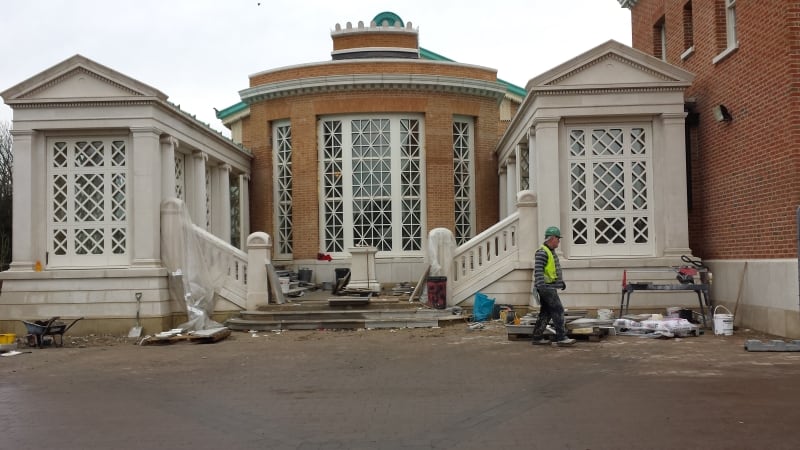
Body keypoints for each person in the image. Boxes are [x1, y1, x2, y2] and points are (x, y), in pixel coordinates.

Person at [531, 226, 576, 347]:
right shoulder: (542, 252)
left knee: (546, 312)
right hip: (546, 287)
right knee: (558, 310)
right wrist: (542, 287)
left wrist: (560, 282)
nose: (559, 241)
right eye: (558, 238)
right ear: (552, 238)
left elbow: (552, 270)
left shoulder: (550, 251)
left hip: (548, 286)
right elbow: (539, 271)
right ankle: (561, 338)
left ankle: (537, 337)